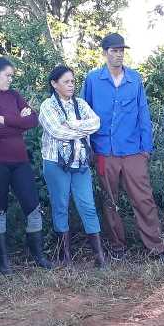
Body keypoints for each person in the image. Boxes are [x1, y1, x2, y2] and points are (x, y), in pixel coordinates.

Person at [81, 33, 164, 260]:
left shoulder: (134, 79)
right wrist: (88, 147)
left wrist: (146, 149)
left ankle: (156, 248)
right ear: (104, 52)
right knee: (110, 201)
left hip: (133, 151)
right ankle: (117, 247)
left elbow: (143, 114)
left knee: (144, 199)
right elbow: (83, 113)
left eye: (121, 50)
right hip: (104, 151)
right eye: (114, 50)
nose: (119, 54)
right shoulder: (92, 79)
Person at [0, 55, 52, 273]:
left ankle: (38, 256)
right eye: (7, 75)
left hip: (20, 161)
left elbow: (32, 120)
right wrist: (18, 121)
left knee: (33, 207)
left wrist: (6, 119)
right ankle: (3, 262)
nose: (10, 80)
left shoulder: (14, 95)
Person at [39, 64, 106, 268]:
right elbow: (57, 132)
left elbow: (96, 123)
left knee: (88, 206)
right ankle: (65, 257)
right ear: (54, 84)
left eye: (72, 81)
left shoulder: (81, 104)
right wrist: (81, 129)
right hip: (54, 163)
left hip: (81, 163)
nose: (71, 85)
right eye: (66, 81)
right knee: (60, 206)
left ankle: (99, 256)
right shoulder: (47, 106)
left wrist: (73, 125)